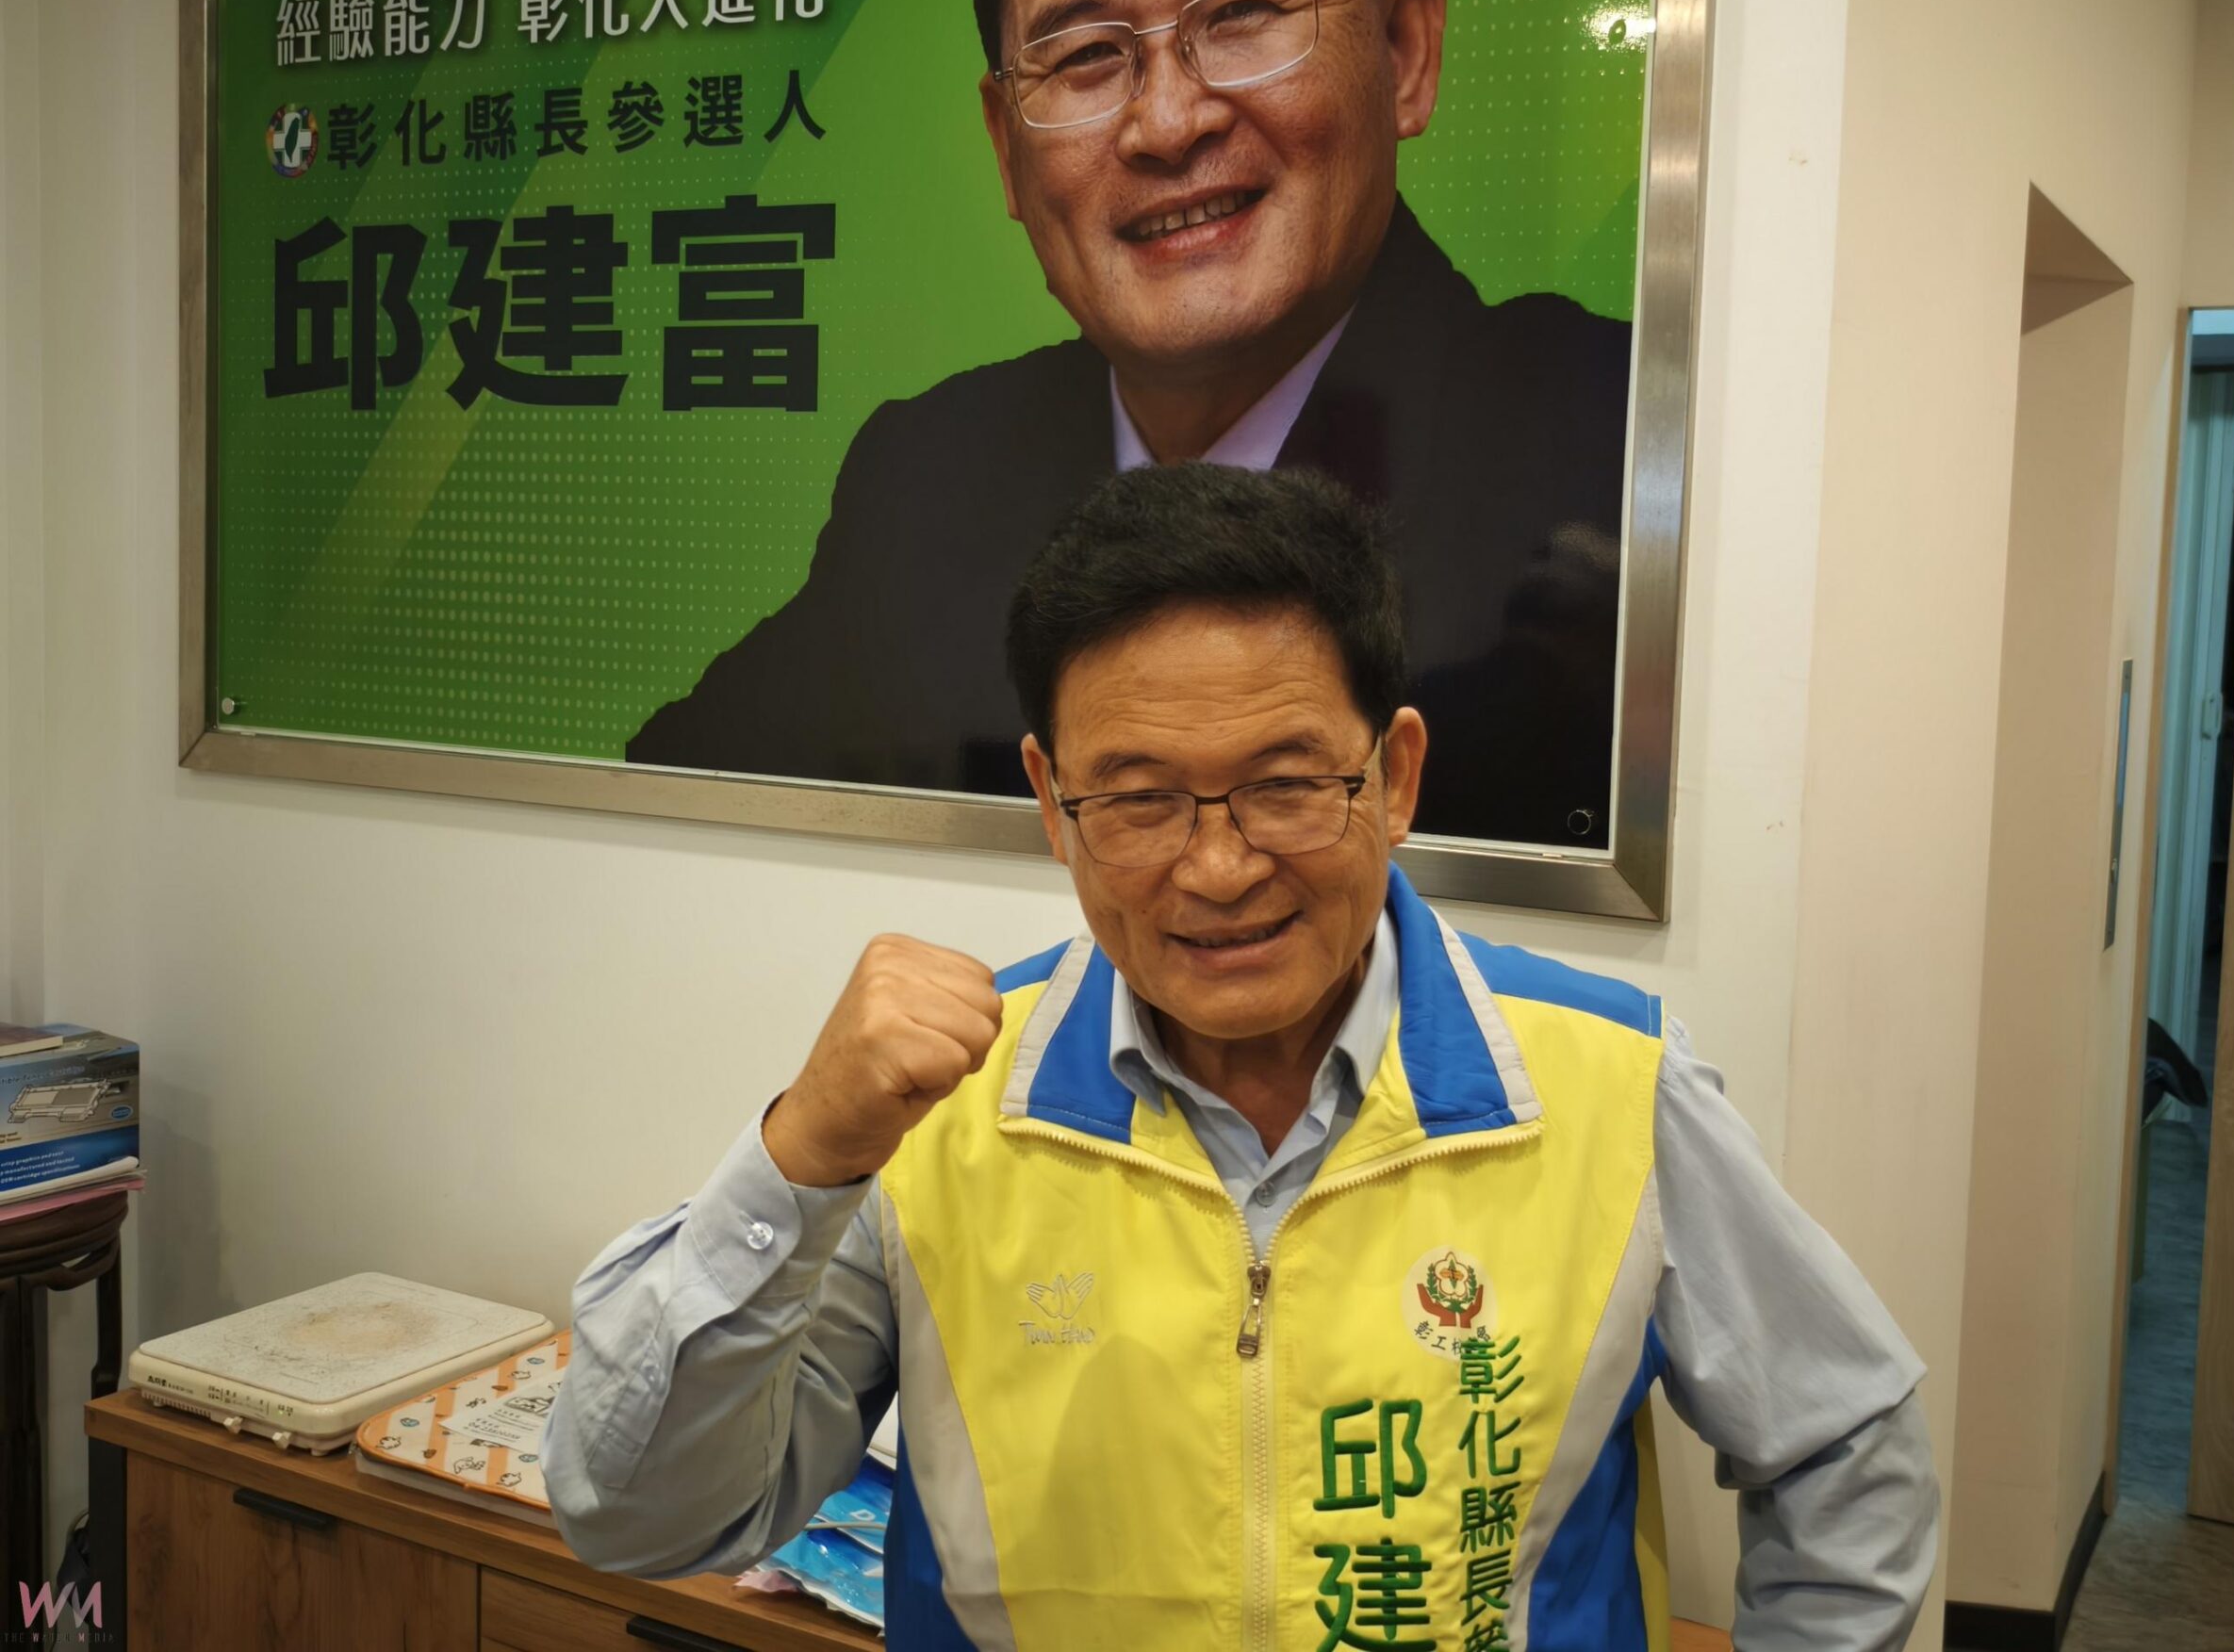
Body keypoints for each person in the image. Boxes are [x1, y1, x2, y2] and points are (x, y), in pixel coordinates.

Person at [550, 466, 1940, 1650]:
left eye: (1284, 785)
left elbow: (1843, 1443)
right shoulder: (937, 1114)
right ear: (1051, 802)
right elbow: (636, 1520)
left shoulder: (1608, 1080)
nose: (1217, 868)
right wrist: (800, 1156)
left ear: (1395, 777)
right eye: (1139, 798)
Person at [625, 0, 1632, 851]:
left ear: (1405, 51)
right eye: (1084, 56)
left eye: (1241, 12)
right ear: (1005, 148)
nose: (1167, 122)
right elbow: (672, 813)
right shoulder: (927, 472)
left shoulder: (1618, 450)